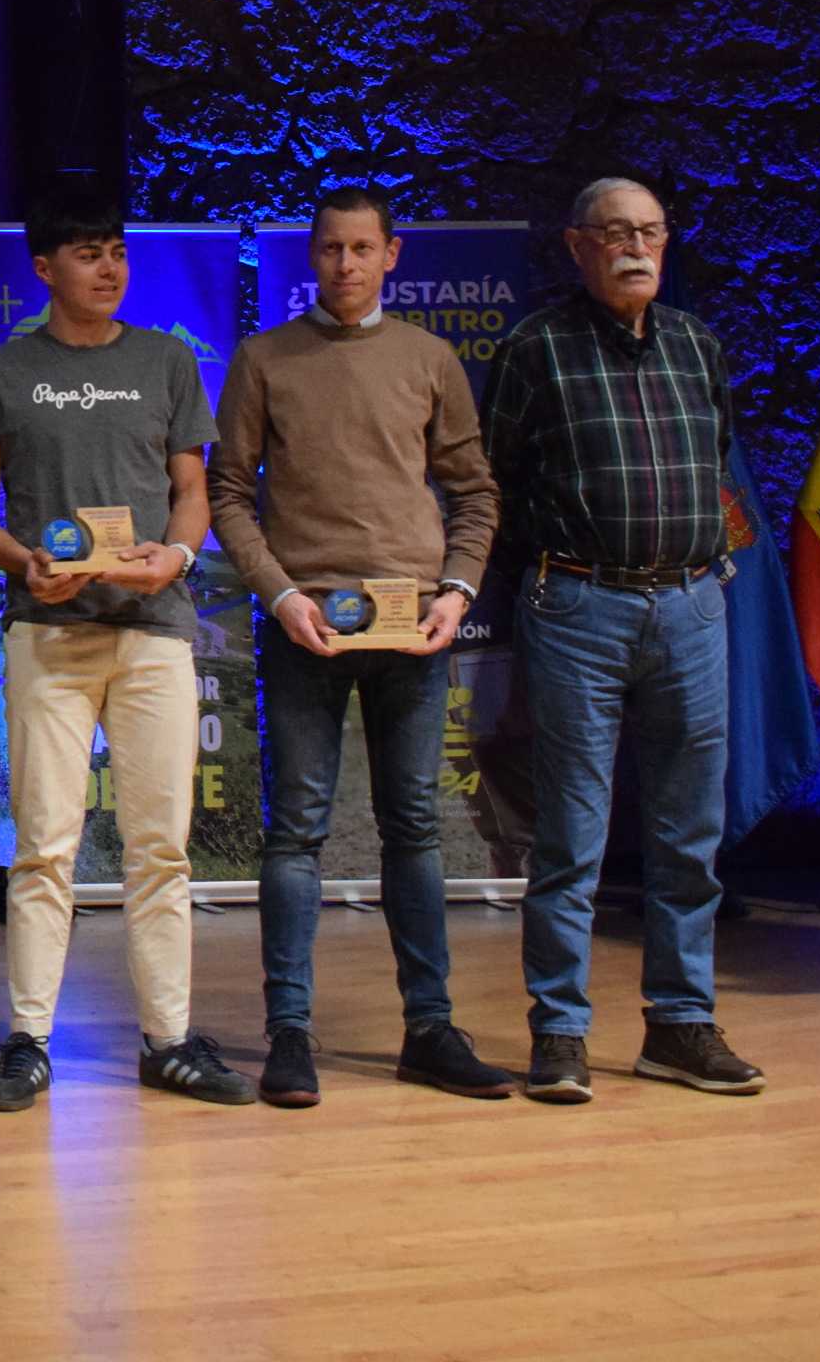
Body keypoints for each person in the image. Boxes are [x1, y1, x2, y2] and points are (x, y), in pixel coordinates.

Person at [0, 192, 256, 1112]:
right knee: (46, 846)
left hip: (155, 630)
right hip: (50, 632)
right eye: (87, 254)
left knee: (161, 850)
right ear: (43, 269)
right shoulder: (2, 372)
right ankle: (30, 1038)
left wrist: (179, 554)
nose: (109, 268)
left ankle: (168, 1040)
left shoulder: (165, 361)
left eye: (117, 252)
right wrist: (24, 559)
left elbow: (192, 491)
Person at [209, 185, 514, 1108]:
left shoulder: (430, 359)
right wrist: (281, 593)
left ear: (393, 254)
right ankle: (289, 1036)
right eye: (329, 249)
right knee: (295, 832)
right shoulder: (265, 359)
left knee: (414, 827)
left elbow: (476, 491)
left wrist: (457, 592)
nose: (344, 264)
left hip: (412, 624)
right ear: (312, 257)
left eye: (360, 248)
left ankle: (429, 1028)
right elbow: (228, 493)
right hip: (306, 624)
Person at [483, 175, 763, 1100]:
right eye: (614, 233)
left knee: (691, 831)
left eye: (649, 231)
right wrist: (566, 567)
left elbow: (715, 461)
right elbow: (499, 482)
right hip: (580, 609)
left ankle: (680, 1025)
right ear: (577, 246)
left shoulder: (696, 346)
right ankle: (559, 1028)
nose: (635, 248)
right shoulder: (536, 349)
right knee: (572, 831)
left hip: (691, 607)